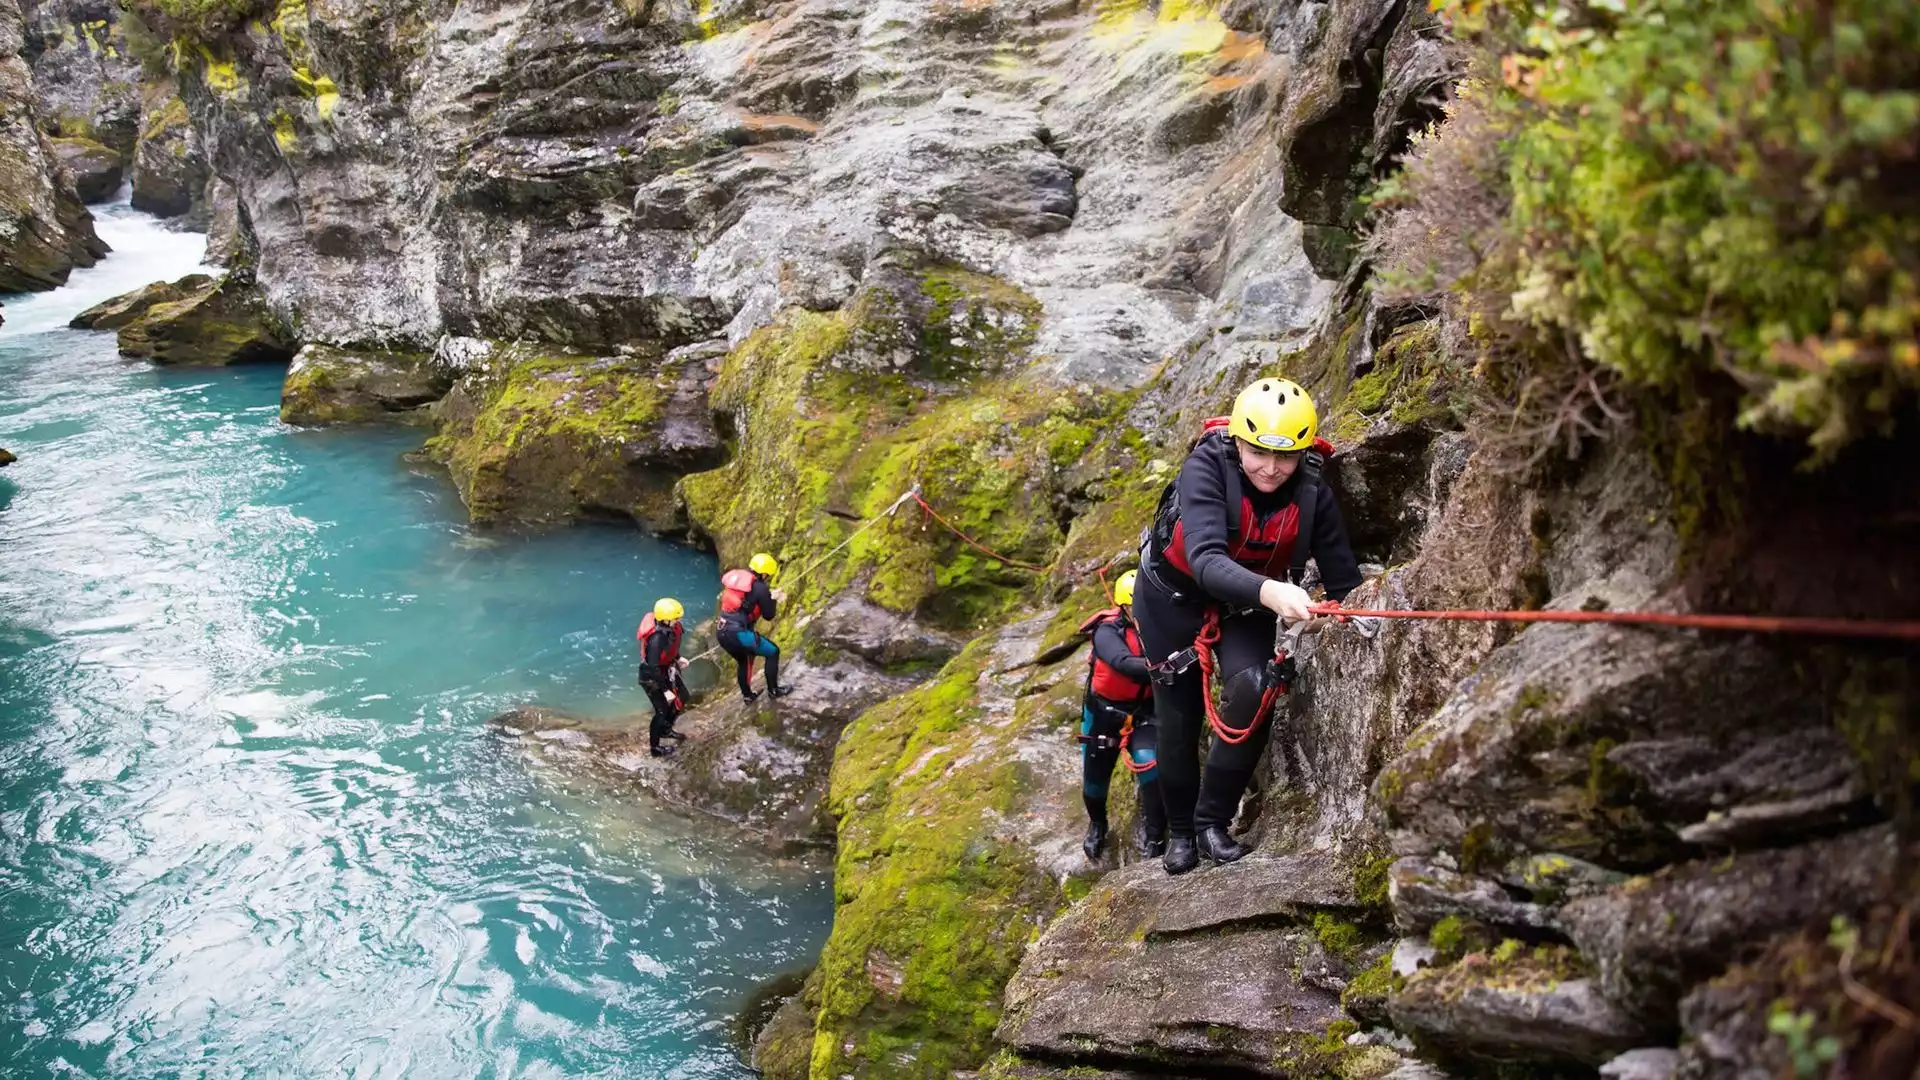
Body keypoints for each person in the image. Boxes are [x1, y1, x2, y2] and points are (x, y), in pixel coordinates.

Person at [1135, 378, 1362, 875]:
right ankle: (1180, 834)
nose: (1272, 468)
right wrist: (1275, 593)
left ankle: (1211, 823)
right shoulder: (1205, 470)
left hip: (1246, 604)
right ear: (1238, 440)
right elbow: (1206, 560)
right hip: (1171, 599)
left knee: (1255, 688)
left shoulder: (1310, 490)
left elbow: (1344, 578)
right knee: (1178, 714)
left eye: (1286, 457)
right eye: (1259, 451)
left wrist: (1354, 609)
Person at [1078, 569, 1167, 862]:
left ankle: (1155, 835)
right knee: (1094, 779)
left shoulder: (1159, 625)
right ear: (1123, 606)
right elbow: (1122, 662)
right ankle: (1097, 824)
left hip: (1144, 713)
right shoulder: (1106, 632)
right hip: (1104, 714)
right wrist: (1164, 665)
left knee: (1150, 766)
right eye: (1134, 605)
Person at [716, 552, 792, 702]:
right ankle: (774, 691)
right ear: (764, 573)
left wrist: (767, 597)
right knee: (772, 652)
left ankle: (748, 696)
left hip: (722, 631)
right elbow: (769, 615)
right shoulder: (760, 587)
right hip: (738, 634)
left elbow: (748, 603)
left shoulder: (741, 582)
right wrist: (774, 599)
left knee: (744, 660)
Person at [637, 597, 691, 757]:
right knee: (661, 710)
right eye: (676, 618)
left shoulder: (669, 629)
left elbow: (671, 647)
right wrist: (666, 690)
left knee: (683, 697)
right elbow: (652, 666)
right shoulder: (656, 639)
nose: (679, 620)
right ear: (666, 620)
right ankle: (655, 748)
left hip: (666, 669)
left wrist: (678, 658)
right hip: (652, 677)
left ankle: (666, 729)